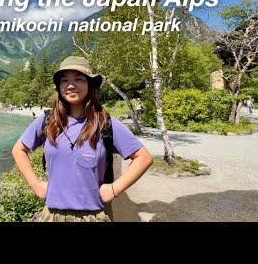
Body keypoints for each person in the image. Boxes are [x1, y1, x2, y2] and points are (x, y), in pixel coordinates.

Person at [12, 56, 153, 222]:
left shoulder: (105, 123)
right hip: (52, 215)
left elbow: (143, 157)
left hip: (94, 215)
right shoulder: (48, 121)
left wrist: (114, 189)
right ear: (59, 87)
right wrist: (36, 185)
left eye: (79, 79)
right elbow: (19, 150)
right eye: (64, 80)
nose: (71, 85)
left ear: (90, 84)